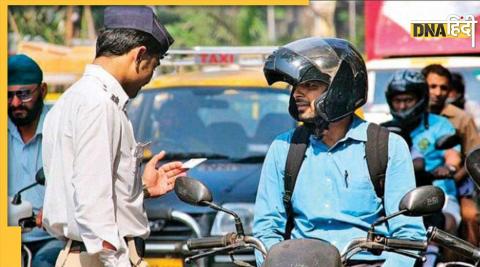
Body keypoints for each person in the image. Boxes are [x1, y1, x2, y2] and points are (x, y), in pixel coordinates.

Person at [253, 37, 426, 267]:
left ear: (341, 89)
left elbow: (408, 235)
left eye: (310, 85)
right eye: (295, 86)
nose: (297, 94)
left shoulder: (387, 147)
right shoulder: (283, 148)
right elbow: (266, 228)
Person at [41, 6, 186, 267]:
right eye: (153, 66)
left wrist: (139, 189)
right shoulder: (99, 105)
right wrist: (119, 262)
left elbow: (86, 185)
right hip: (101, 258)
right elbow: (92, 203)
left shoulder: (70, 100)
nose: (149, 78)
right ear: (140, 55)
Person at [382, 70, 462, 266]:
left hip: (438, 192)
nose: (402, 106)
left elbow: (453, 155)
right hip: (395, 195)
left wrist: (449, 168)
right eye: (397, 101)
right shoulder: (385, 129)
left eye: (407, 100)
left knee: (448, 224)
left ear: (420, 99)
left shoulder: (440, 125)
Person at [8, 54, 65, 267]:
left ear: (42, 91)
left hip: (50, 236)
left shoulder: (61, 128)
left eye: (23, 94)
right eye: (8, 95)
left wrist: (53, 209)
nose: (15, 103)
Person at [423, 64, 480, 247]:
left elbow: (473, 156)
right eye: (432, 86)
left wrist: (453, 174)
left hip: (458, 182)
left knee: (470, 216)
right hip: (420, 182)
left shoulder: (461, 118)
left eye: (443, 87)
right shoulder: (413, 116)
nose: (438, 92)